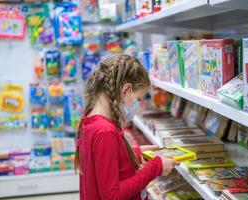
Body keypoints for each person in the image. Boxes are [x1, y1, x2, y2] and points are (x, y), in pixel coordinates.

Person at [74, 54, 179, 200]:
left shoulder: (90, 120)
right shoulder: (105, 131)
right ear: (126, 90)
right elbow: (112, 195)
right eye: (138, 98)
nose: (138, 104)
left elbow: (100, 164)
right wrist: (155, 168)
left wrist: (132, 154)